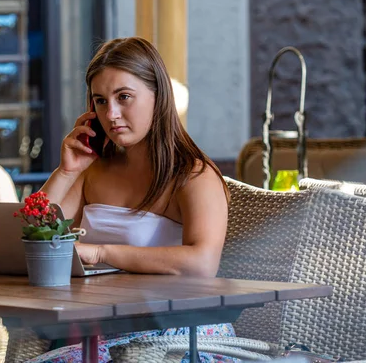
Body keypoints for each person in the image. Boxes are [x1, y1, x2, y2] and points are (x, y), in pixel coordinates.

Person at [31, 37, 233, 363]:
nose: (111, 114)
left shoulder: (193, 175)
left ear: (158, 96)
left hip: (178, 336)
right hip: (98, 328)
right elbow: (32, 234)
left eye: (124, 97)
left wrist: (99, 252)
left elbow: (202, 264)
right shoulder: (92, 168)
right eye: (100, 101)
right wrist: (66, 171)